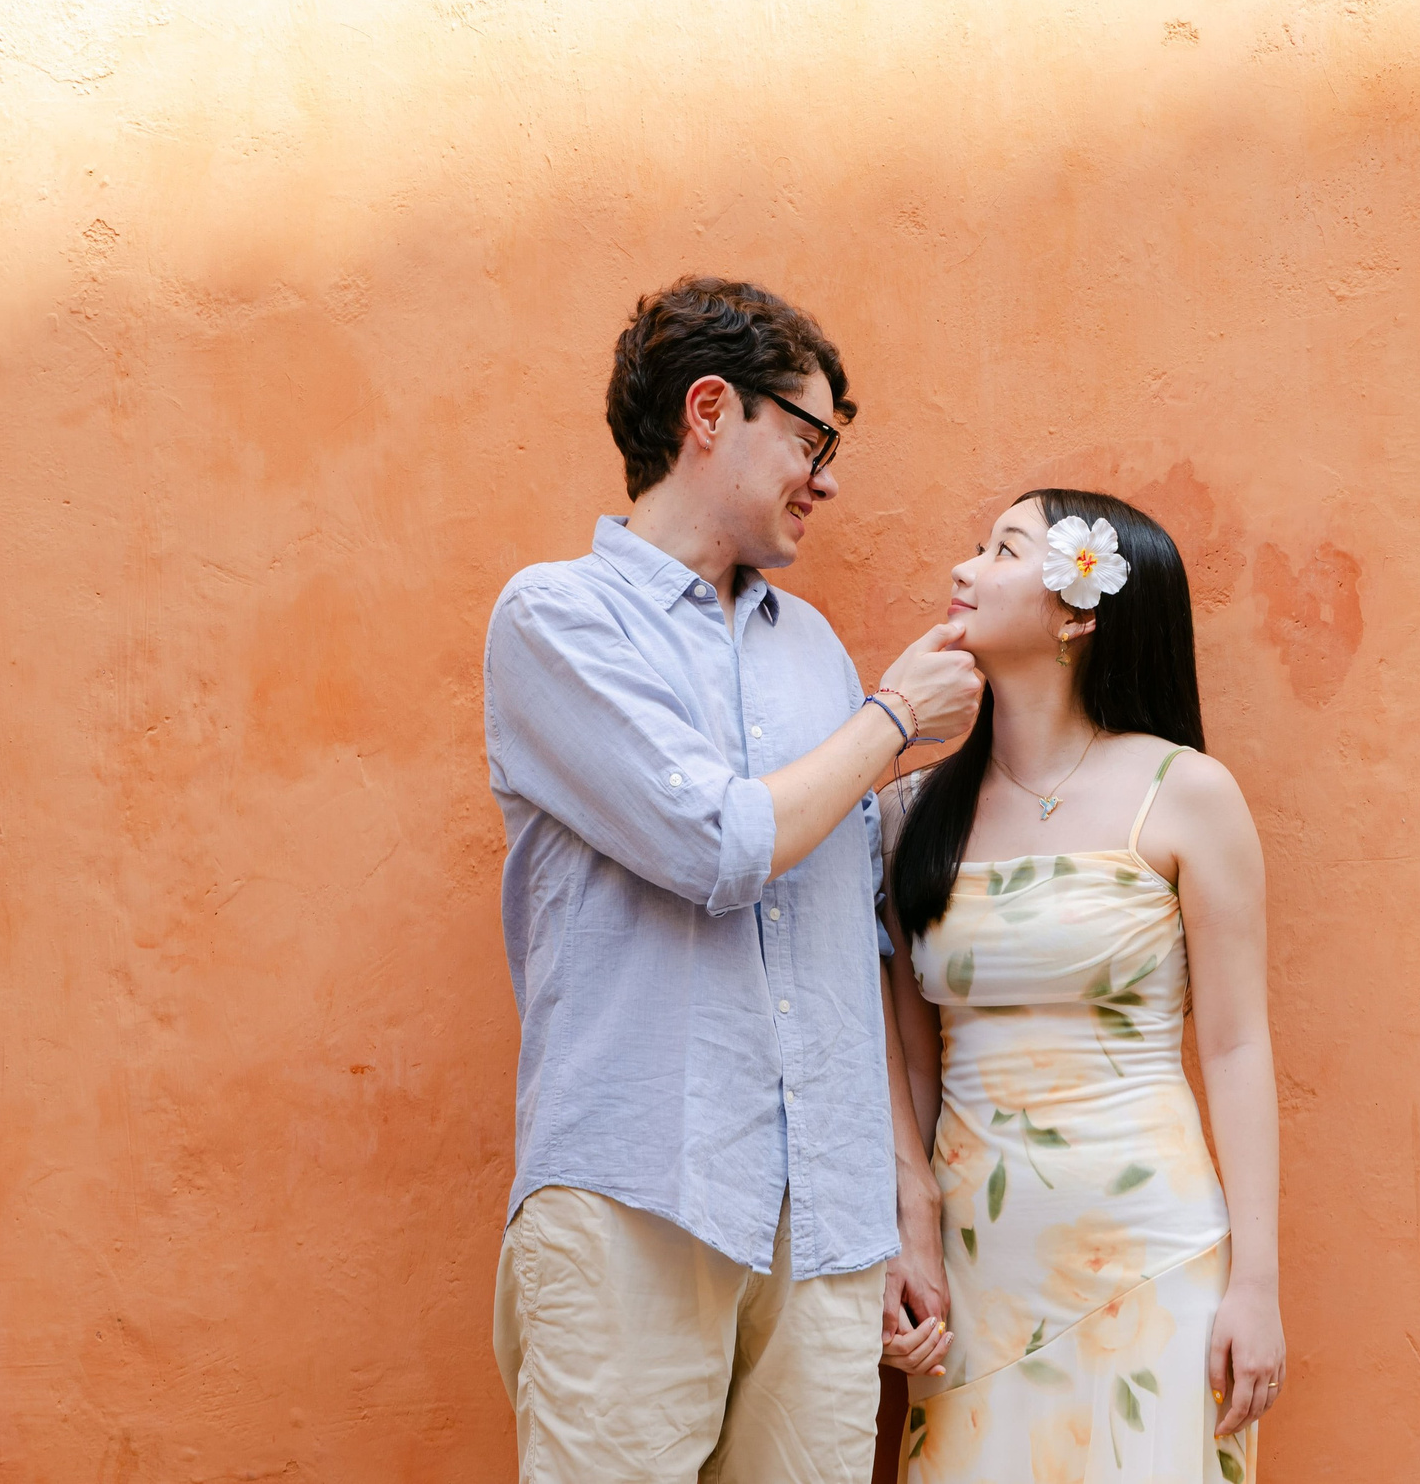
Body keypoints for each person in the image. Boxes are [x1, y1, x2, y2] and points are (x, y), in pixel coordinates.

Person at [482, 275, 979, 1484]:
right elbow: (715, 844)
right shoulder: (556, 617)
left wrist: (900, 1195)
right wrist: (894, 720)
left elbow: (847, 933)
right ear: (712, 411)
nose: (829, 477)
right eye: (811, 438)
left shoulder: (810, 647)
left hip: (825, 1222)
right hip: (637, 1191)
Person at [878, 489, 1286, 1482]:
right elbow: (905, 1059)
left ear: (1078, 610)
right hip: (975, 1272)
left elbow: (1235, 1047)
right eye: (975, 545)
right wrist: (906, 1234)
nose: (964, 570)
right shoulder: (911, 811)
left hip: (1153, 1249)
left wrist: (1257, 1284)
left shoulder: (1185, 792)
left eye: (1004, 549)